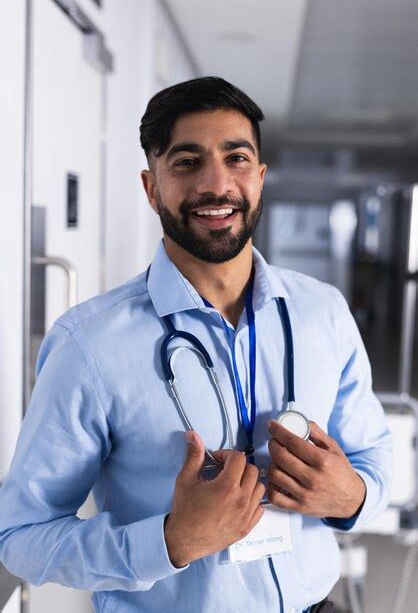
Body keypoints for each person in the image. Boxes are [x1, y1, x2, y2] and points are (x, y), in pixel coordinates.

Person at [0, 77, 392, 613]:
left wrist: (354, 498)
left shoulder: (322, 312)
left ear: (259, 177)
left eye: (236, 157)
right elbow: (21, 538)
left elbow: (375, 454)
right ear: (152, 187)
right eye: (187, 161)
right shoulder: (87, 346)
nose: (216, 183)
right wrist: (169, 542)